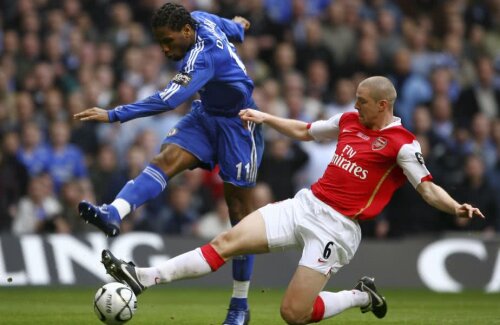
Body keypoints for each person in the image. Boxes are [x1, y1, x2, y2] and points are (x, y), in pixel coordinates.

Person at [99, 76, 484, 324]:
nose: (356, 104)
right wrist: (265, 117)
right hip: (305, 204)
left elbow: (427, 187)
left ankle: (358, 296)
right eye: (356, 99)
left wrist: (456, 207)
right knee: (226, 242)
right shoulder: (350, 121)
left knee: (293, 314)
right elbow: (306, 130)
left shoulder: (403, 145)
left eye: (363, 101)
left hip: (338, 228)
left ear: (383, 105)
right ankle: (145, 277)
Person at [74, 3, 263, 324]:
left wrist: (113, 113)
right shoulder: (200, 19)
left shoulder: (203, 57)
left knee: (240, 218)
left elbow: (169, 99)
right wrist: (239, 26)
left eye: (169, 40)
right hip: (206, 116)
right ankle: (113, 212)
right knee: (166, 159)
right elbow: (231, 27)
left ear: (186, 32)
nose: (164, 48)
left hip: (238, 126)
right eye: (160, 41)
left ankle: (239, 305)